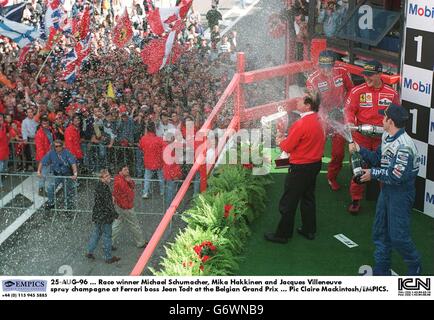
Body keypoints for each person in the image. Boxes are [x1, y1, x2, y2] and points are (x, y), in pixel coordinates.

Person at [348, 104, 422, 275]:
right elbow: (377, 159)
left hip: (401, 194)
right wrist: (360, 149)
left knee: (398, 237)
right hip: (387, 190)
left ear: (390, 121)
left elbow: (397, 176)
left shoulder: (404, 146)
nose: (382, 118)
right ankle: (382, 269)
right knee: (380, 231)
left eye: (384, 116)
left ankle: (415, 265)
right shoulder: (387, 136)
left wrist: (372, 174)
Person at [265, 90, 326, 243]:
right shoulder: (319, 119)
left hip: (300, 168)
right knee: (308, 197)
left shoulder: (301, 124)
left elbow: (288, 147)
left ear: (307, 105)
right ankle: (309, 230)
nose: (296, 102)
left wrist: (279, 140)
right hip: (315, 165)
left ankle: (282, 235)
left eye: (299, 101)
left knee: (288, 202)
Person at [345, 60, 400, 213]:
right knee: (360, 169)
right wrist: (350, 122)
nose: (366, 78)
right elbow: (348, 110)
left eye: (370, 75)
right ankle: (355, 200)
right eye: (365, 75)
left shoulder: (391, 93)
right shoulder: (357, 91)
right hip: (361, 138)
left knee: (383, 169)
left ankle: (386, 201)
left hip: (382, 140)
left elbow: (397, 114)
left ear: (379, 74)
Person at [306, 50, 353, 191]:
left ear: (334, 64)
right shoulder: (312, 80)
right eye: (323, 67)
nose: (326, 70)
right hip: (323, 118)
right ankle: (308, 176)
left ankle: (332, 177)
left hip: (340, 116)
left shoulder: (342, 71)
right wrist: (324, 115)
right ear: (319, 65)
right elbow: (312, 104)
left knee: (338, 153)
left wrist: (345, 107)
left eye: (329, 67)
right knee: (314, 149)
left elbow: (352, 91)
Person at [85, 169, 121, 264]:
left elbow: (103, 203)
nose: (109, 177)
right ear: (101, 178)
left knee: (96, 234)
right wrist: (115, 214)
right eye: (106, 176)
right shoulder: (104, 188)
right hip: (105, 216)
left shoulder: (99, 186)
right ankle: (108, 257)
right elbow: (107, 204)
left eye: (109, 175)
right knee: (107, 236)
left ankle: (89, 251)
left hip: (98, 215)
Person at [112, 164, 147, 249]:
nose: (127, 171)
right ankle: (140, 242)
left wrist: (129, 181)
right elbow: (129, 193)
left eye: (127, 169)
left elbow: (132, 187)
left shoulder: (120, 179)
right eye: (125, 170)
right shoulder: (121, 181)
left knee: (117, 224)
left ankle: (108, 241)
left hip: (121, 206)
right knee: (134, 224)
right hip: (126, 207)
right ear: (120, 172)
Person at [37, 139, 78, 211]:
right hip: (57, 175)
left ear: (62, 146)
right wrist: (38, 171)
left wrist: (75, 174)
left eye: (59, 146)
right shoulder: (51, 153)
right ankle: (51, 203)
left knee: (67, 191)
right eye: (56, 146)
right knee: (50, 188)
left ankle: (68, 206)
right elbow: (42, 161)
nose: (57, 148)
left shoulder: (67, 152)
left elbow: (73, 163)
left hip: (66, 175)